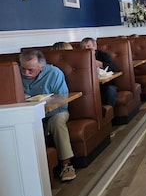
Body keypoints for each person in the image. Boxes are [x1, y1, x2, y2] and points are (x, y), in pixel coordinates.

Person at [20, 49, 76, 182]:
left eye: (31, 70)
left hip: (54, 113)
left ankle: (67, 165)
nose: (26, 73)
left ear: (41, 67)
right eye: (23, 69)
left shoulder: (54, 73)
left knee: (57, 122)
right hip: (27, 115)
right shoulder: (14, 74)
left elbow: (63, 100)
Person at [80, 37, 118, 108]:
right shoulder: (79, 58)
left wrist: (100, 64)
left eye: (88, 46)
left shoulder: (103, 55)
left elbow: (115, 69)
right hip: (88, 86)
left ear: (95, 47)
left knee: (111, 91)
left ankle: (109, 113)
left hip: (105, 85)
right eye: (83, 47)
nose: (86, 49)